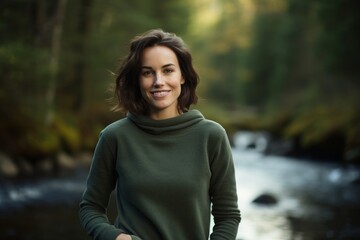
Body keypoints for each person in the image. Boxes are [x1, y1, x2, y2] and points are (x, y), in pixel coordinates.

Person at [79, 29, 241, 240]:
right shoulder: (114, 137)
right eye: (147, 72)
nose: (158, 81)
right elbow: (90, 207)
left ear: (182, 75)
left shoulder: (211, 136)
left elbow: (228, 216)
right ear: (137, 80)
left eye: (168, 70)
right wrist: (117, 238)